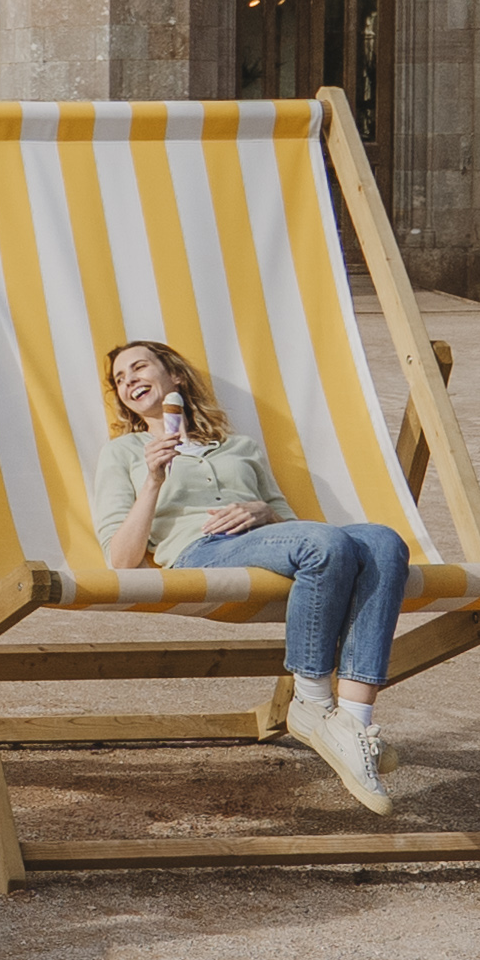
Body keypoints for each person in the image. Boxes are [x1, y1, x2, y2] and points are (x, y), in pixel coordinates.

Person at [86, 336, 409, 814]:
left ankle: (355, 722)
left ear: (174, 376)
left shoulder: (239, 446)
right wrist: (154, 479)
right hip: (201, 553)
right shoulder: (125, 453)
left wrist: (260, 511)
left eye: (139, 368)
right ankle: (313, 703)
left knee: (384, 541)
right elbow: (122, 559)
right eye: (120, 379)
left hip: (263, 544)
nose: (129, 380)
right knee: (326, 543)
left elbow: (292, 524)